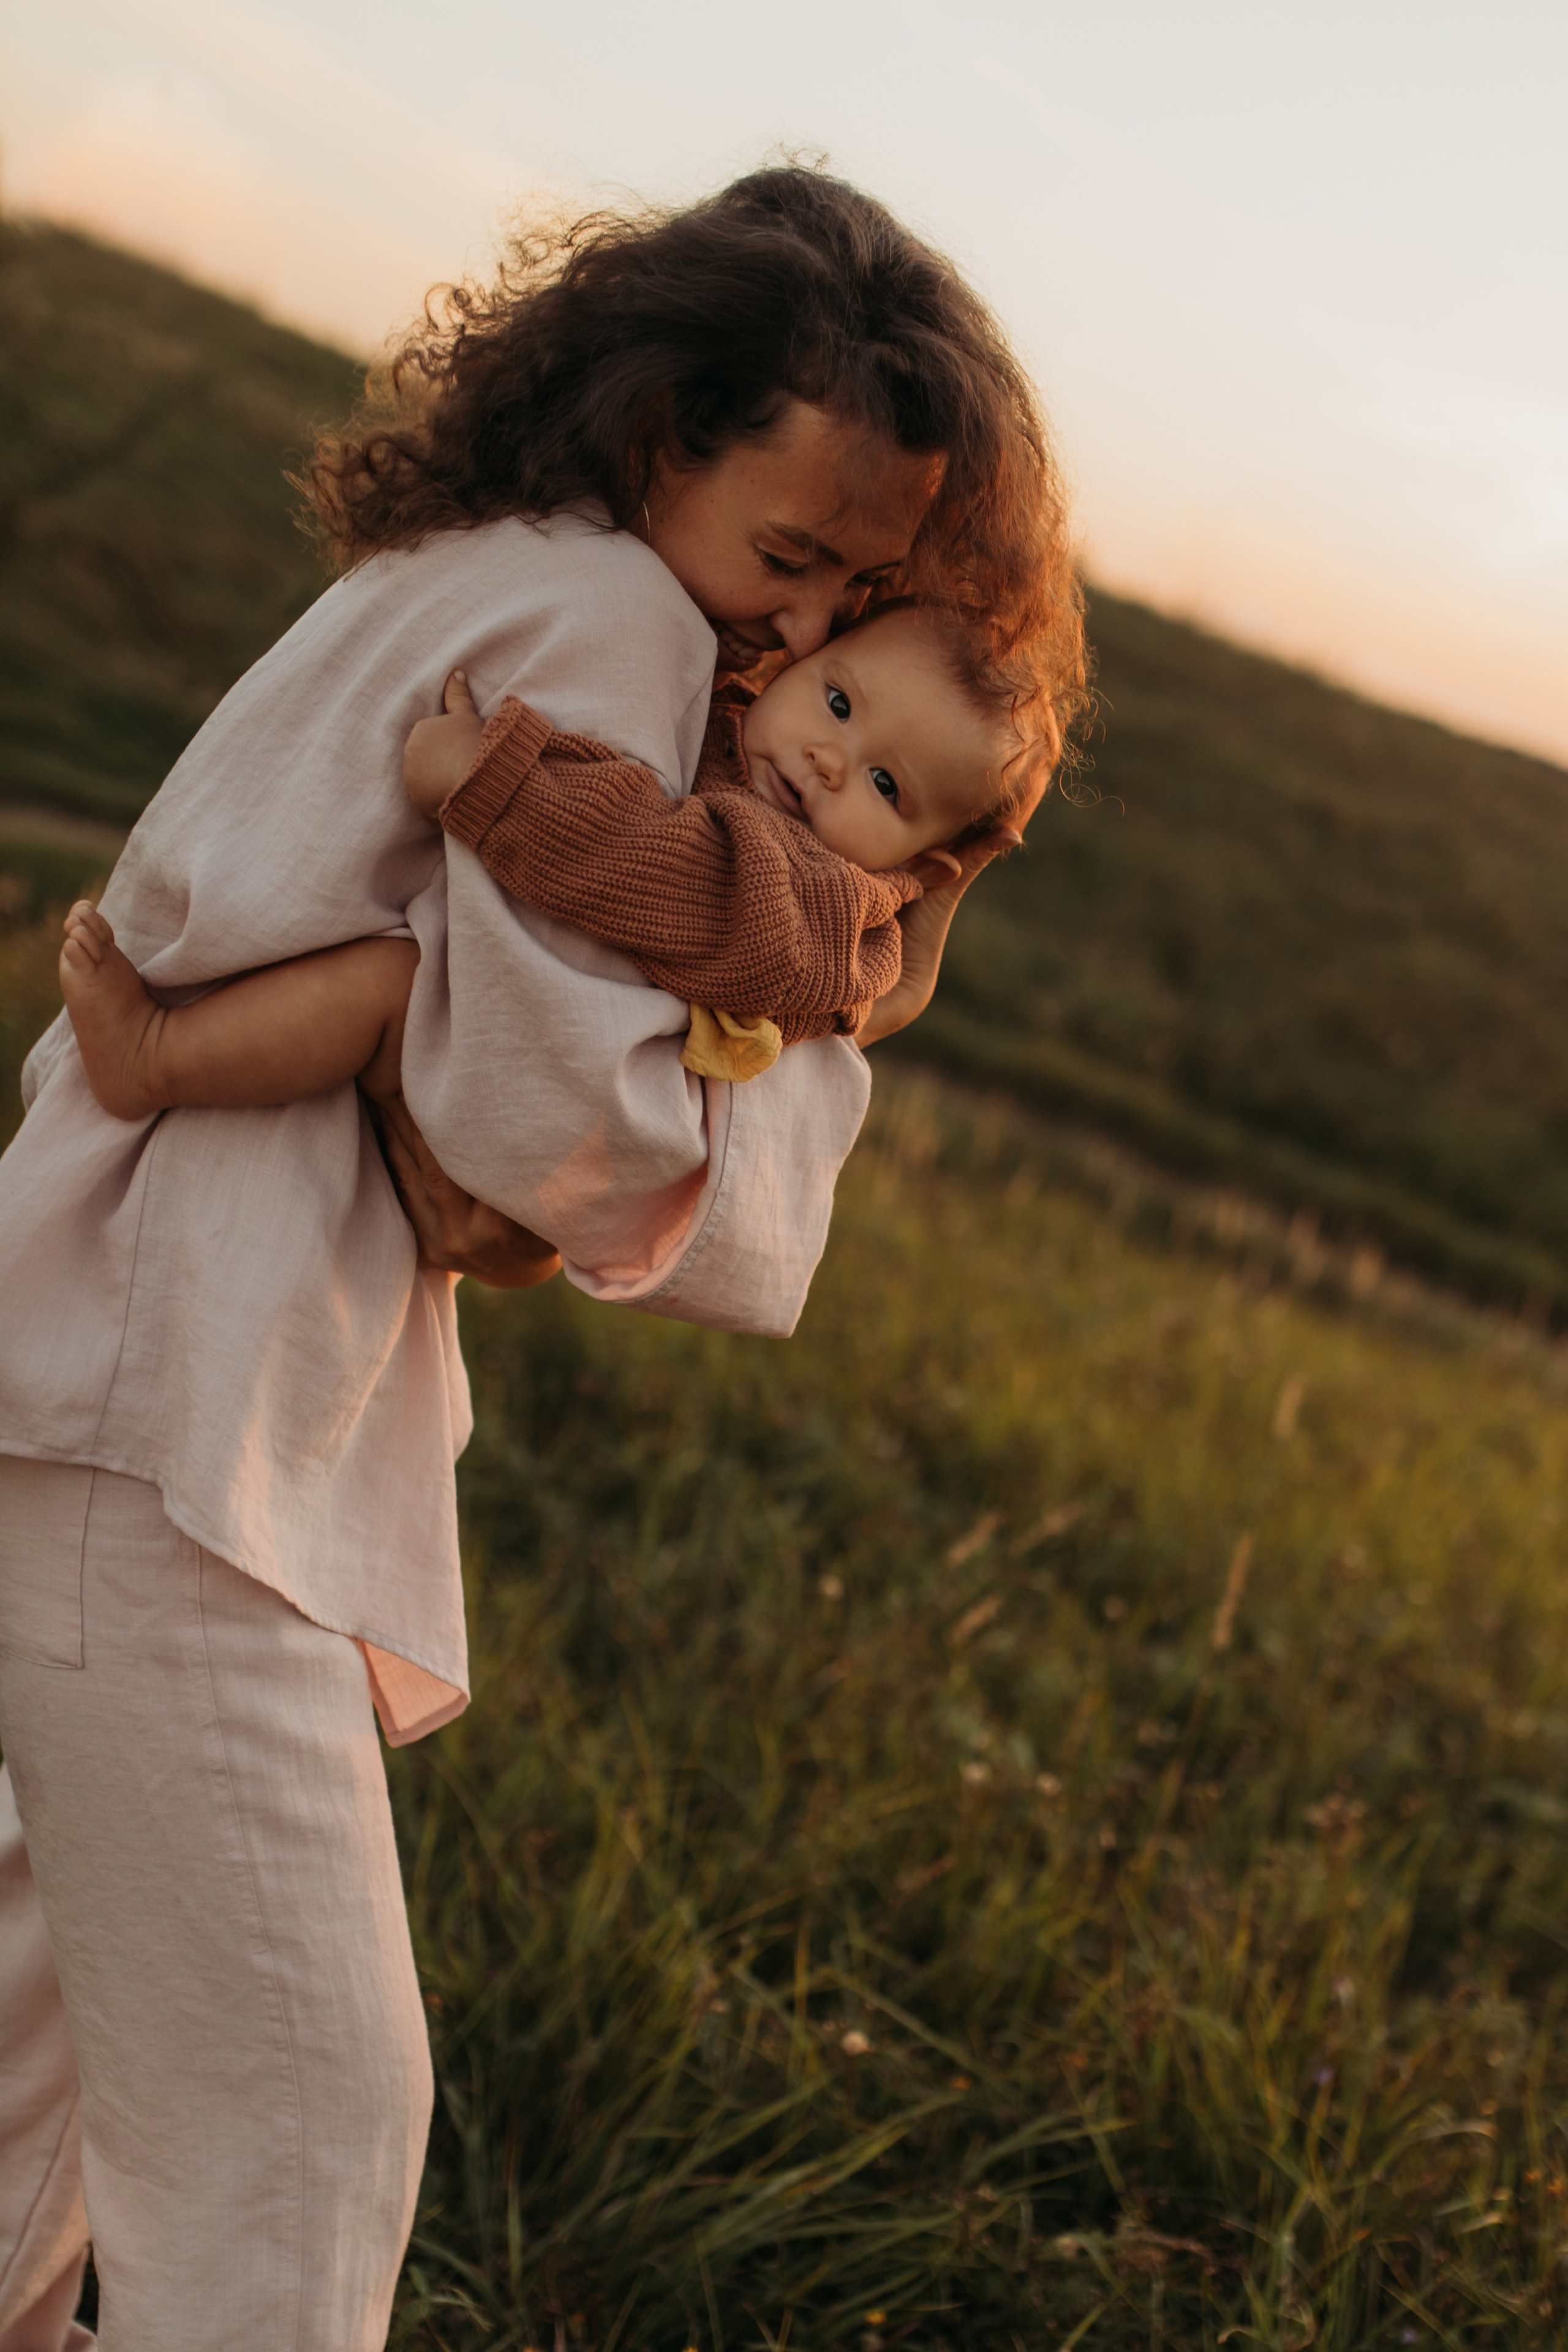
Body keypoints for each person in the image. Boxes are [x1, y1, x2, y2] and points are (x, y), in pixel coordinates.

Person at [0, 167, 1085, 2351]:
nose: (793, 637)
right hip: (188, 1387)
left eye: (853, 588)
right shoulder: (609, 636)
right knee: (313, 2130)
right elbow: (547, 1122)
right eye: (792, 562)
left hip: (124, 1331)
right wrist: (728, 1113)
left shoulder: (474, 558)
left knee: (43, 2086)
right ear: (656, 429)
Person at [54, 599, 1044, 1121]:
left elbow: (673, 871)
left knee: (392, 989)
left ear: (932, 865)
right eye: (838, 701)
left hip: (590, 1097)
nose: (834, 759)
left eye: (887, 788)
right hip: (559, 1064)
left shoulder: (828, 909)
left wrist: (498, 781)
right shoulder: (746, 738)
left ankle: (154, 1061)